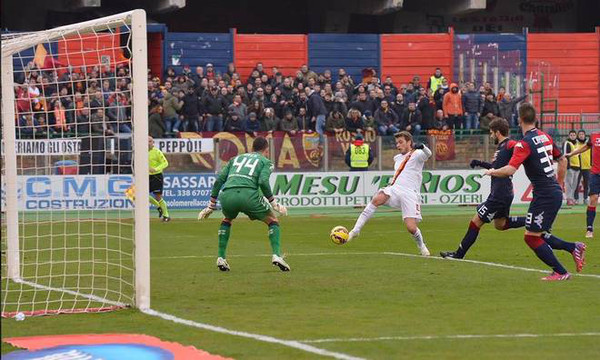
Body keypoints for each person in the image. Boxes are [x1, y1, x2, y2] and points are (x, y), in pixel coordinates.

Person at [485, 104, 586, 280]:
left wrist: (492, 171)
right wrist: (559, 184)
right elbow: (562, 160)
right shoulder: (544, 136)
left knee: (531, 238)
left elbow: (510, 170)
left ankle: (561, 272)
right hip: (548, 192)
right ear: (535, 119)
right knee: (539, 234)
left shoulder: (524, 143)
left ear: (520, 119)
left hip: (545, 195)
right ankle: (573, 247)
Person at [197, 137, 290, 272]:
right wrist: (274, 203)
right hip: (248, 196)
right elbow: (263, 182)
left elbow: (219, 181)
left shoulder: (235, 159)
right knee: (272, 220)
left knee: (227, 219)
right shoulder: (266, 161)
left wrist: (211, 205)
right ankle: (276, 255)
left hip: (227, 195)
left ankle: (221, 258)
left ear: (252, 148)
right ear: (266, 150)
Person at [440, 118, 527, 259]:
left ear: (498, 132)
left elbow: (521, 146)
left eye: (492, 133)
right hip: (503, 192)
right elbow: (496, 168)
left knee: (476, 221)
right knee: (501, 224)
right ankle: (532, 220)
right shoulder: (501, 147)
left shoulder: (509, 144)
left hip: (500, 193)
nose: (491, 136)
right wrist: (480, 163)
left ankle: (458, 254)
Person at [347, 131, 432, 256]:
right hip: (395, 189)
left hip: (410, 193)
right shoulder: (397, 158)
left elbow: (429, 154)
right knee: (376, 199)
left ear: (409, 142)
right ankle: (355, 231)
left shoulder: (417, 154)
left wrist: (423, 147)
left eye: (401, 142)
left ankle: (421, 245)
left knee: (411, 228)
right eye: (397, 143)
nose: (398, 145)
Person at [565, 131, 599, 238]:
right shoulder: (594, 136)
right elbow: (586, 147)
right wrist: (572, 153)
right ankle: (589, 229)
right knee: (593, 199)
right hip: (596, 173)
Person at [148, 136, 170, 222]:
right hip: (145, 176)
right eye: (146, 141)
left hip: (156, 176)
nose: (148, 143)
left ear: (153, 143)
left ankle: (166, 216)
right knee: (140, 195)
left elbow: (165, 163)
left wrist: (156, 169)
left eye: (150, 141)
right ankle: (158, 206)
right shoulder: (141, 152)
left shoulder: (157, 152)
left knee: (158, 196)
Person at [563, 130, 580, 206]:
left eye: (574, 135)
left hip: (577, 166)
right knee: (568, 183)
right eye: (571, 135)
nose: (573, 136)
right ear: (569, 136)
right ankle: (568, 199)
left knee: (574, 184)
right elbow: (565, 154)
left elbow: (579, 155)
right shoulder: (567, 143)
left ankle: (572, 198)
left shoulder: (577, 144)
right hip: (570, 166)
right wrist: (567, 166)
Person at [574, 130, 591, 205]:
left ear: (585, 135)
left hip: (587, 166)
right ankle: (576, 199)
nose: (581, 135)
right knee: (576, 184)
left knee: (586, 184)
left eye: (582, 134)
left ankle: (585, 198)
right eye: (580, 134)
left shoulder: (589, 144)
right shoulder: (575, 143)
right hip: (577, 166)